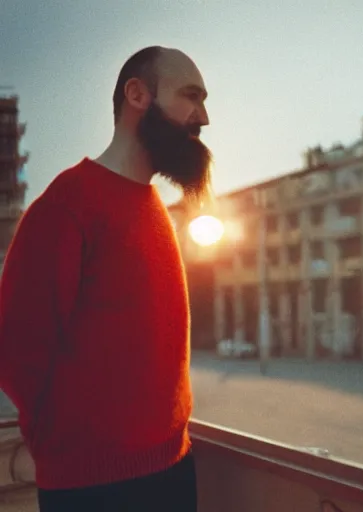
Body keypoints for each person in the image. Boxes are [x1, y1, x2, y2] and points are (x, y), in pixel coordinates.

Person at [0, 46, 212, 511]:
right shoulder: (65, 206)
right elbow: (18, 350)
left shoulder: (154, 206)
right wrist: (71, 453)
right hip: (93, 489)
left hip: (174, 470)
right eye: (191, 96)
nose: (204, 117)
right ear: (138, 95)